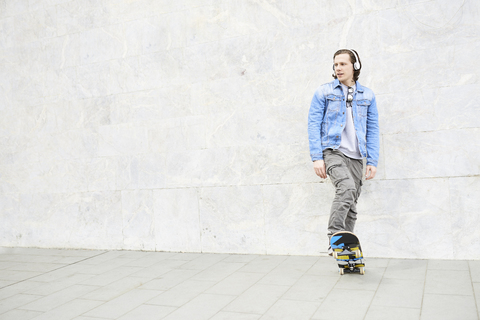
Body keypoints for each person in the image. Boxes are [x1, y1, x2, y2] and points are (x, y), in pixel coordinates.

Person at [307, 49, 379, 255]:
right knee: (346, 188)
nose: (338, 68)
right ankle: (335, 237)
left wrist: (372, 160)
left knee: (352, 201)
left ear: (355, 67)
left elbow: (373, 129)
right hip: (333, 150)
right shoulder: (324, 92)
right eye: (335, 64)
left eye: (342, 64)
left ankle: (346, 248)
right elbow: (313, 125)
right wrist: (317, 158)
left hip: (356, 156)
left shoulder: (368, 95)